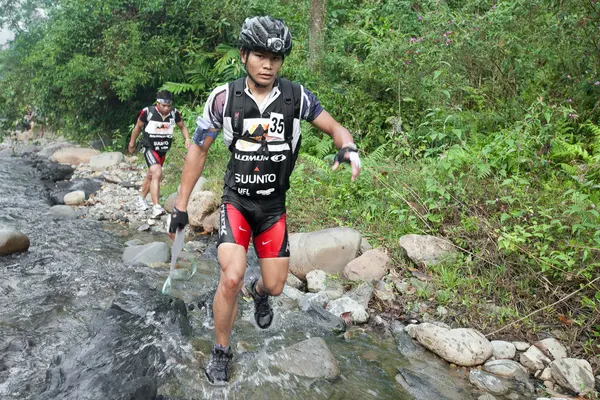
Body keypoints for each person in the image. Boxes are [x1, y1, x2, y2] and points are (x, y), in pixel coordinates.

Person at [168, 16, 361, 384]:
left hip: (273, 209)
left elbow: (335, 128)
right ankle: (222, 350)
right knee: (231, 275)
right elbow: (197, 151)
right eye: (260, 55)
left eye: (276, 57)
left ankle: (258, 294)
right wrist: (181, 206)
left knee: (273, 285)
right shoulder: (223, 99)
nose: (269, 64)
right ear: (243, 55)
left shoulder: (295, 96)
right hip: (236, 204)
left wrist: (346, 146)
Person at [128, 90, 191, 217]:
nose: (167, 108)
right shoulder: (148, 112)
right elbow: (137, 128)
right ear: (158, 103)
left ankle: (140, 199)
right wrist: (132, 144)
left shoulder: (174, 113)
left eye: (169, 106)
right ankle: (156, 206)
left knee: (151, 175)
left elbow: (182, 127)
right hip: (149, 147)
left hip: (163, 150)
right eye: (164, 106)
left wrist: (187, 138)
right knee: (157, 172)